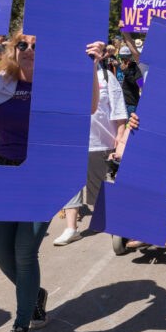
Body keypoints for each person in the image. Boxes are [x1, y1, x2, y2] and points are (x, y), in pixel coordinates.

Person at [0, 30, 105, 332]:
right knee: (0, 251)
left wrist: (91, 65)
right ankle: (35, 294)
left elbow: (91, 106)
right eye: (23, 44)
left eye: (37, 45)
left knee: (24, 250)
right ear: (12, 48)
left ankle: (21, 325)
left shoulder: (55, 85)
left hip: (43, 174)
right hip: (5, 174)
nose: (29, 50)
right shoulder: (1, 82)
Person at [54, 56, 128, 246]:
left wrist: (120, 136)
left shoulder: (105, 76)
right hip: (74, 142)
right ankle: (71, 228)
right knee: (70, 183)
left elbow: (119, 108)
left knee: (97, 192)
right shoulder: (68, 79)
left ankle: (111, 222)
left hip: (101, 142)